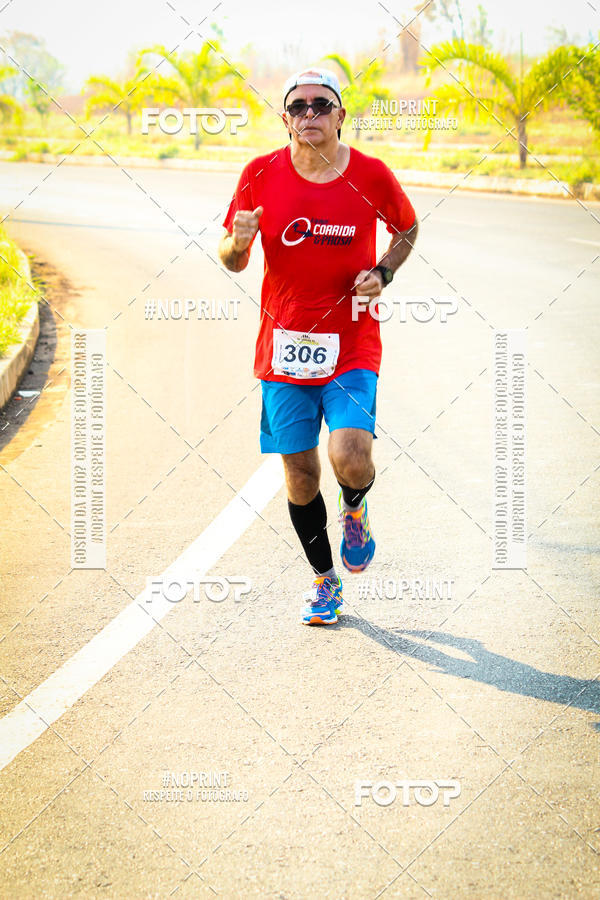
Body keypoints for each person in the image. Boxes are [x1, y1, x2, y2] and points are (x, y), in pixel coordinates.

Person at [218, 66, 418, 625]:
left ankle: (354, 506)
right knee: (302, 475)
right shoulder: (259, 174)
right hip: (283, 345)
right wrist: (237, 244)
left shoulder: (371, 175)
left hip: (352, 341)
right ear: (285, 119)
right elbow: (232, 259)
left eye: (321, 104)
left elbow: (406, 229)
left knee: (350, 457)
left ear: (340, 115)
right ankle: (325, 581)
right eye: (298, 106)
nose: (309, 114)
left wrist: (383, 272)